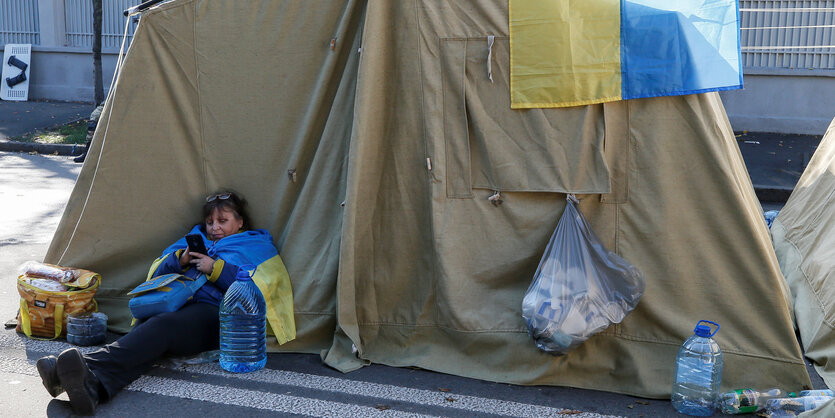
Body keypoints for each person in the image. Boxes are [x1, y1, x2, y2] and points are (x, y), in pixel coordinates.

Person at [35, 191, 293, 414]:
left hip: (216, 314)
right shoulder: (193, 239)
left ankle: (68, 371)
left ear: (240, 222)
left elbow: (253, 289)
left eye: (223, 221)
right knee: (147, 331)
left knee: (162, 327)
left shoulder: (255, 243)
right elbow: (156, 278)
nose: (215, 227)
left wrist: (215, 268)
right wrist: (178, 260)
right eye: (210, 221)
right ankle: (93, 388)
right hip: (176, 305)